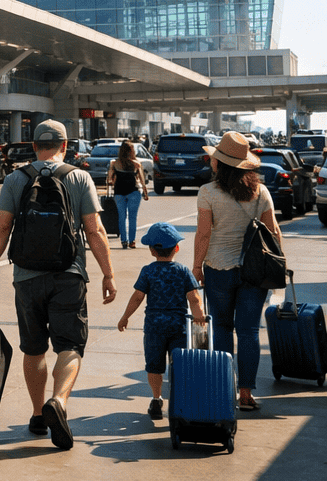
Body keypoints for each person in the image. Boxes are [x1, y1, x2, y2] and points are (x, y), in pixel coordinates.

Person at [0, 120, 116, 450]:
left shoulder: (15, 178)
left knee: (33, 347)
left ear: (34, 146)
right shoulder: (79, 177)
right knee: (70, 345)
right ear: (65, 146)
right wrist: (108, 274)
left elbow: (2, 226)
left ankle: (38, 414)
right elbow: (94, 230)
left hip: (26, 276)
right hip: (69, 274)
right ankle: (60, 402)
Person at [192, 131, 282, 412]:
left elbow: (204, 234)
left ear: (220, 164)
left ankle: (222, 388)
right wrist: (277, 264)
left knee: (221, 327)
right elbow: (273, 232)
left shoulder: (208, 193)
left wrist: (197, 265)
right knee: (249, 331)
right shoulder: (260, 191)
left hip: (218, 268)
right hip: (254, 271)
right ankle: (246, 394)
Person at [117, 222, 206, 420]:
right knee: (179, 364)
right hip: (179, 327)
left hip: (154, 327)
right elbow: (194, 298)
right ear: (177, 248)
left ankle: (156, 398)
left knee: (154, 365)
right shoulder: (183, 271)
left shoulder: (148, 271)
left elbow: (138, 297)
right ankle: (178, 399)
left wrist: (125, 317)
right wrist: (200, 318)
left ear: (151, 250)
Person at [106, 139, 149, 249]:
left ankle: (124, 241)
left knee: (121, 217)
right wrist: (145, 192)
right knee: (132, 217)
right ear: (132, 151)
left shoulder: (114, 163)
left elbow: (109, 180)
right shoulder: (137, 164)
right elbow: (142, 180)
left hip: (119, 192)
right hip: (133, 192)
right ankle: (132, 241)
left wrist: (113, 176)